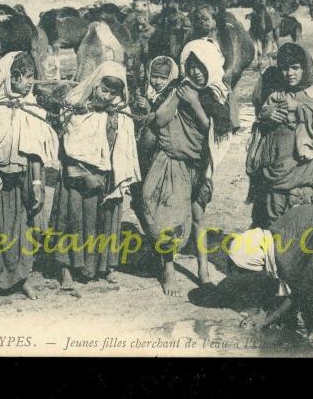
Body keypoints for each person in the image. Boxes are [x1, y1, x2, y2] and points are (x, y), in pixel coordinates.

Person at [0, 51, 59, 299]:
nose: (28, 83)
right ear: (8, 77)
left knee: (19, 230)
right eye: (22, 77)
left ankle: (20, 279)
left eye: (31, 77)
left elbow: (35, 151)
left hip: (19, 181)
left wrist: (37, 182)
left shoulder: (30, 108)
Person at [141, 39, 232, 296]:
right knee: (171, 217)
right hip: (175, 162)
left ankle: (203, 270)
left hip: (200, 165)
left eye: (200, 68)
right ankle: (168, 270)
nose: (195, 72)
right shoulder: (178, 88)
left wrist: (194, 102)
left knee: (199, 217)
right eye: (190, 67)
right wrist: (178, 97)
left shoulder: (217, 95)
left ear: (211, 67)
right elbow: (160, 120)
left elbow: (213, 130)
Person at [50, 61, 140, 289]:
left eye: (114, 92)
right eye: (104, 90)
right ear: (95, 83)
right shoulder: (75, 104)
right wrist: (84, 171)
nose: (108, 96)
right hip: (75, 173)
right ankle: (66, 269)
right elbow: (69, 141)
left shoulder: (119, 110)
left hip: (105, 174)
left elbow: (124, 145)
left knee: (102, 220)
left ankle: (100, 266)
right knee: (72, 219)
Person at [227, 200, 313, 348]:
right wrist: (262, 314)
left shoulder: (282, 258)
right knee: (304, 284)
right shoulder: (269, 237)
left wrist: (263, 323)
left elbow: (295, 294)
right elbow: (277, 281)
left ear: (253, 260)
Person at [246, 43, 313, 228]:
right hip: (276, 179)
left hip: (305, 180)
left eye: (295, 68)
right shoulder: (275, 96)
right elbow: (259, 137)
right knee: (273, 228)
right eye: (284, 68)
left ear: (305, 68)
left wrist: (300, 108)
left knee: (306, 229)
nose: (290, 73)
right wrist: (266, 116)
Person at [129, 56, 179, 221]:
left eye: (163, 78)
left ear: (170, 77)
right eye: (154, 76)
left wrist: (149, 108)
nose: (157, 81)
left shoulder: (171, 95)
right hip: (143, 149)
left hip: (159, 150)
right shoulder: (146, 92)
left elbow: (161, 119)